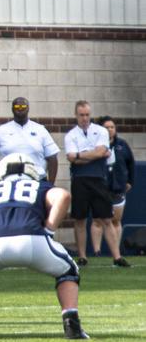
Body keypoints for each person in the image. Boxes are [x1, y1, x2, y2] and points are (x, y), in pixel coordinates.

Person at [0, 154, 88, 339]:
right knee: (68, 271)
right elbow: (63, 196)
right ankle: (71, 325)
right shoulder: (41, 186)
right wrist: (49, 229)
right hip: (33, 240)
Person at [64, 100, 114, 266]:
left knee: (106, 218)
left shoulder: (100, 131)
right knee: (80, 219)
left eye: (87, 115)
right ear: (76, 115)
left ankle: (117, 256)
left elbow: (101, 151)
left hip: (98, 178)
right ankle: (83, 256)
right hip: (79, 180)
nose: (85, 118)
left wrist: (80, 155)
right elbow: (72, 158)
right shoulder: (71, 135)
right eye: (81, 115)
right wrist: (94, 154)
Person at [0, 96, 60, 183]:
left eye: (23, 107)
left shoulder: (40, 130)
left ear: (28, 108)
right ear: (12, 109)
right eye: (17, 107)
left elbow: (52, 157)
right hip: (9, 181)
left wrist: (50, 185)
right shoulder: (2, 130)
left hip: (37, 180)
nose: (20, 109)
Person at [100, 117, 134, 268]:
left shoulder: (122, 145)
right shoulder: (98, 145)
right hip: (102, 187)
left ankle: (116, 251)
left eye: (112, 127)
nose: (109, 130)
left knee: (116, 221)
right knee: (102, 220)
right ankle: (98, 251)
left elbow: (130, 163)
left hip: (118, 187)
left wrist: (129, 181)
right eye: (106, 127)